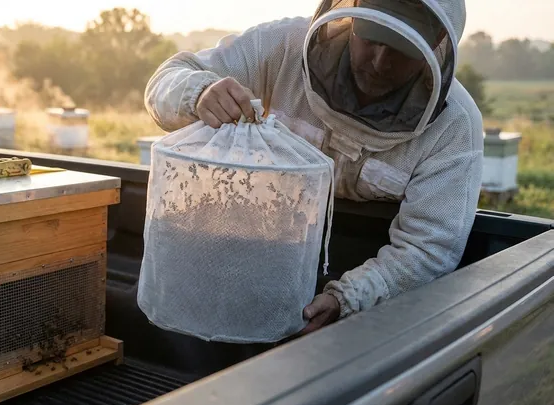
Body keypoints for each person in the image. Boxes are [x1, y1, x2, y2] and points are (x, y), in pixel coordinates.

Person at [143, 0, 484, 336]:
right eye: (371, 38)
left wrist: (349, 298)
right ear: (352, 10)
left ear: (438, 39)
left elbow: (429, 248)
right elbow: (168, 78)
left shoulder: (455, 124)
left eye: (400, 49)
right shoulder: (281, 45)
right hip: (253, 250)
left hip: (361, 273)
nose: (379, 63)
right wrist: (198, 92)